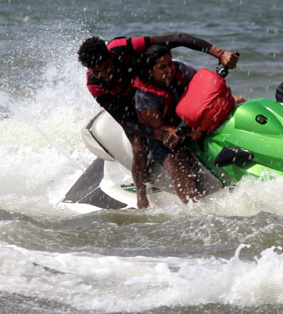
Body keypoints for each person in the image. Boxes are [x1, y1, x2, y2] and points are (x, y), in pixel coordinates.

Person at [77, 34, 238, 209]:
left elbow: (177, 39)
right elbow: (124, 119)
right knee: (139, 147)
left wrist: (219, 53)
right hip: (126, 103)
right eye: (97, 71)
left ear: (110, 55)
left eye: (106, 67)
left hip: (148, 83)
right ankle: (141, 196)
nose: (104, 75)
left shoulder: (122, 47)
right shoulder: (95, 85)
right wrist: (159, 133)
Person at [133, 45, 200, 204]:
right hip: (160, 133)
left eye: (170, 64)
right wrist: (190, 132)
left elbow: (204, 89)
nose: (169, 70)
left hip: (188, 121)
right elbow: (161, 128)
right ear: (150, 71)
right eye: (162, 67)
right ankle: (192, 206)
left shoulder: (182, 69)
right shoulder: (144, 94)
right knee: (176, 159)